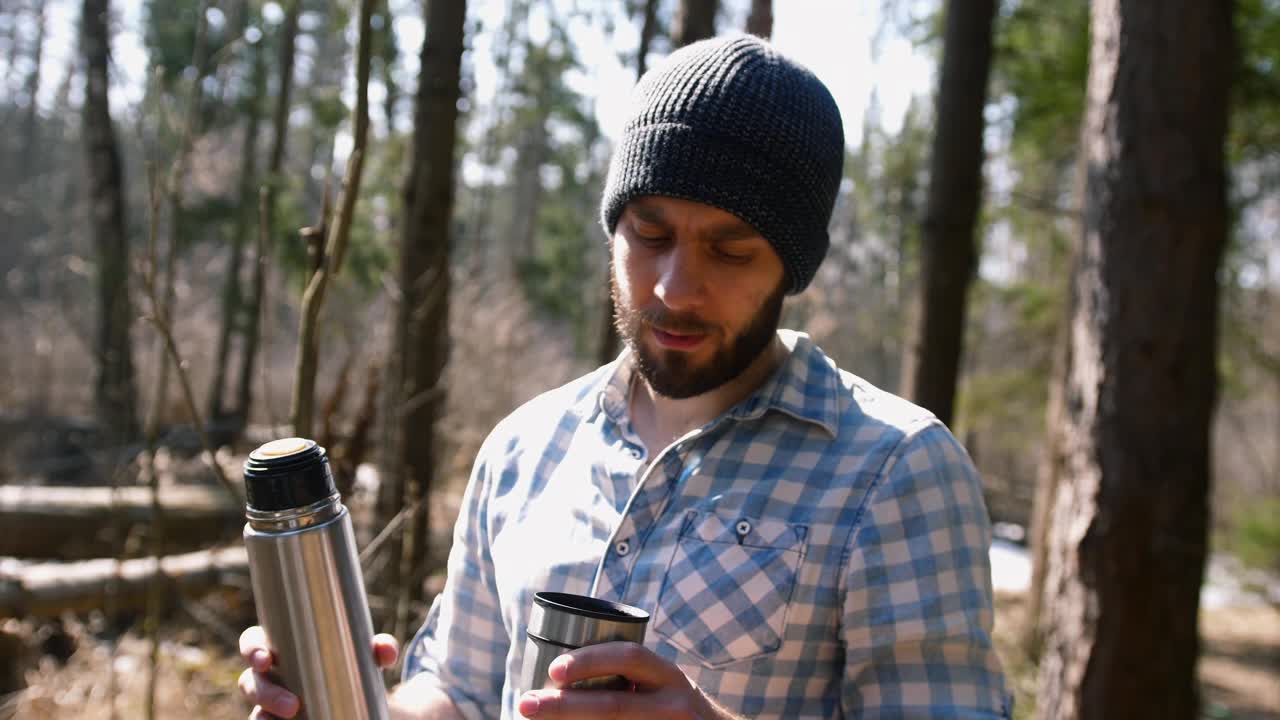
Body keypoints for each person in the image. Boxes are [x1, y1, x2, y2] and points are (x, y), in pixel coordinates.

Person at [240, 33, 1011, 719]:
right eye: (650, 233)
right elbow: (462, 688)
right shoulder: (523, 448)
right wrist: (344, 701)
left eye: (731, 250)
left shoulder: (895, 470)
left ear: (794, 266)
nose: (676, 287)